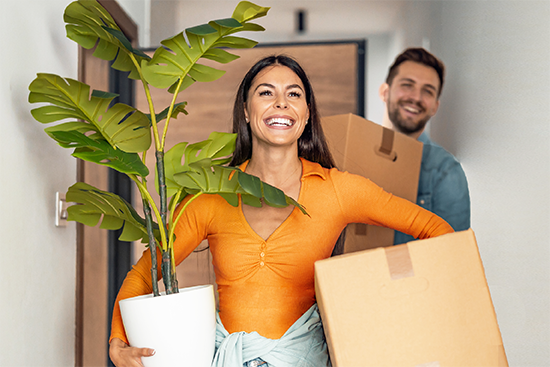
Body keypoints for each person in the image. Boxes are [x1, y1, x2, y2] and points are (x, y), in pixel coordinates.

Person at [109, 55, 454, 367]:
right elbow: (145, 271)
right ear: (246, 110)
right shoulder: (211, 194)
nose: (280, 103)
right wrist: (117, 342)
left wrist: (400, 309)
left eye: (293, 94)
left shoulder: (338, 189)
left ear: (306, 114)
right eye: (265, 93)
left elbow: (436, 231)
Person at [378, 47, 470, 245]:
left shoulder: (445, 171)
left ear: (435, 107)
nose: (416, 97)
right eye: (407, 85)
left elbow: (453, 254)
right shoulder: (352, 154)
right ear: (385, 92)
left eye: (427, 91)